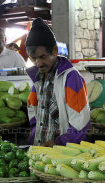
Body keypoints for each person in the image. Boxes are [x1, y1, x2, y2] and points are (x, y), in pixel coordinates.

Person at [25, 18, 90, 147]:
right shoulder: (38, 79)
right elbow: (33, 113)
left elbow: (81, 124)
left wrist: (58, 143)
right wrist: (34, 137)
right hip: (41, 151)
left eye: (42, 57)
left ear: (54, 51)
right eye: (33, 58)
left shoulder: (71, 78)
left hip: (63, 155)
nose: (38, 63)